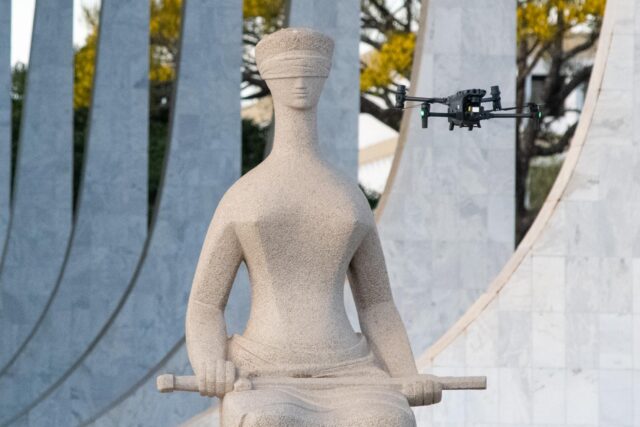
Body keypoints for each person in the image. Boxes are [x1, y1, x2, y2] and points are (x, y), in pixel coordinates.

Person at [186, 28, 419, 426]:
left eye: (309, 72)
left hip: (351, 369)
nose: (299, 82)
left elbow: (377, 303)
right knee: (269, 421)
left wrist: (407, 372)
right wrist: (210, 361)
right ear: (269, 79)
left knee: (387, 420)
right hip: (261, 370)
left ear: (324, 78)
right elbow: (205, 304)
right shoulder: (245, 195)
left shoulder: (347, 196)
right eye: (289, 72)